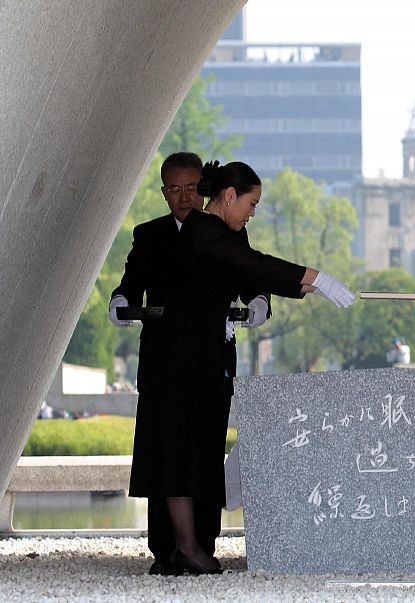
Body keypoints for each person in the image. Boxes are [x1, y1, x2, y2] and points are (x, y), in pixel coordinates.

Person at [109, 152, 256, 576]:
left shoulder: (227, 230)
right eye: (174, 188)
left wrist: (259, 300)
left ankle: (201, 544)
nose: (183, 196)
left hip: (211, 362)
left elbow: (251, 277)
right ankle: (168, 550)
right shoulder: (149, 234)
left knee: (206, 450)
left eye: (191, 187)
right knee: (166, 451)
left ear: (204, 189)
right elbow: (131, 283)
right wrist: (121, 301)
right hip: (165, 363)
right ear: (163, 192)